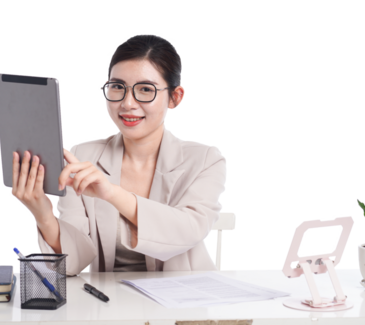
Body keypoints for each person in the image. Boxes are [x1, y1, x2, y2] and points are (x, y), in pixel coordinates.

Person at [11, 33, 227, 275]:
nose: (127, 103)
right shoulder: (81, 157)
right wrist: (42, 213)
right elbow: (74, 264)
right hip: (110, 306)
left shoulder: (205, 159)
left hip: (185, 302)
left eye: (145, 89)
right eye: (117, 87)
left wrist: (111, 193)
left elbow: (187, 231)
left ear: (175, 97)